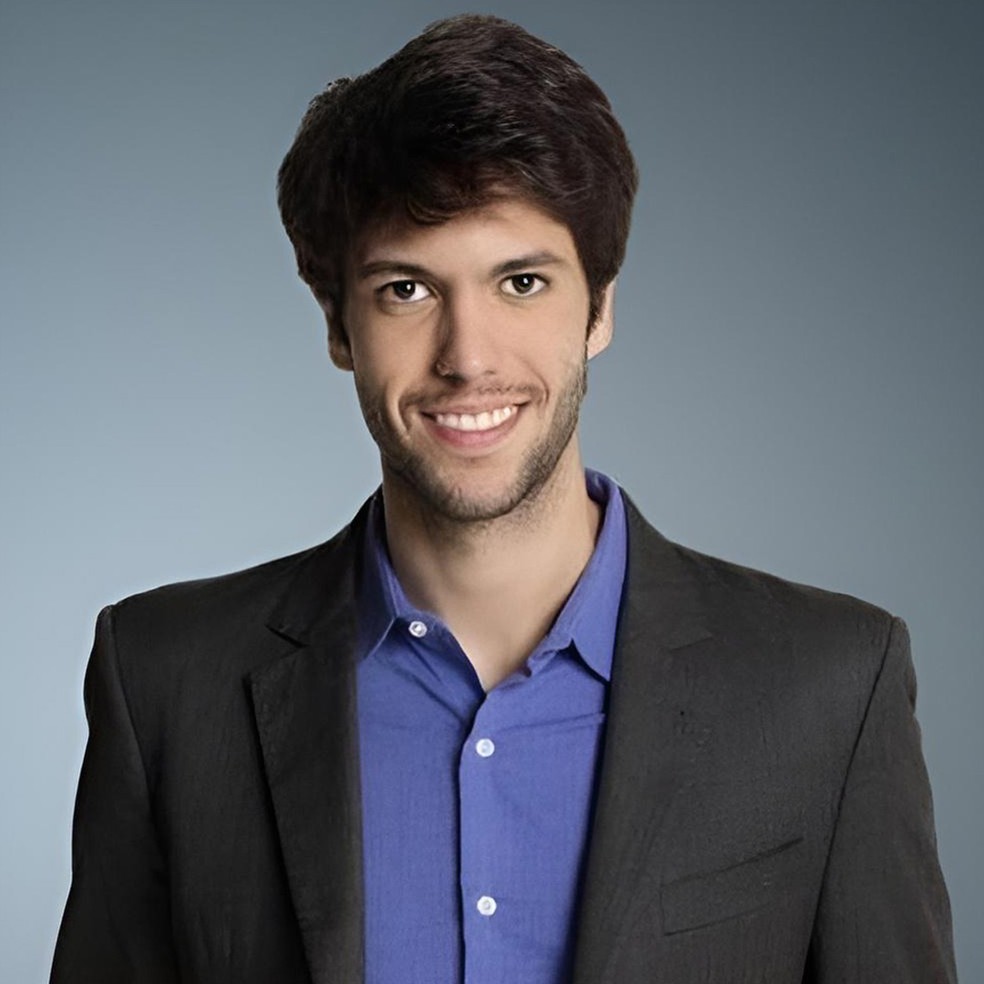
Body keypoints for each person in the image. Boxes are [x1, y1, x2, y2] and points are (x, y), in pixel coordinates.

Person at [50, 14, 956, 984]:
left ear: (600, 307)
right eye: (406, 290)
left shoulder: (828, 687)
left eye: (521, 281)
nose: (468, 357)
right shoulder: (167, 684)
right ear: (338, 324)